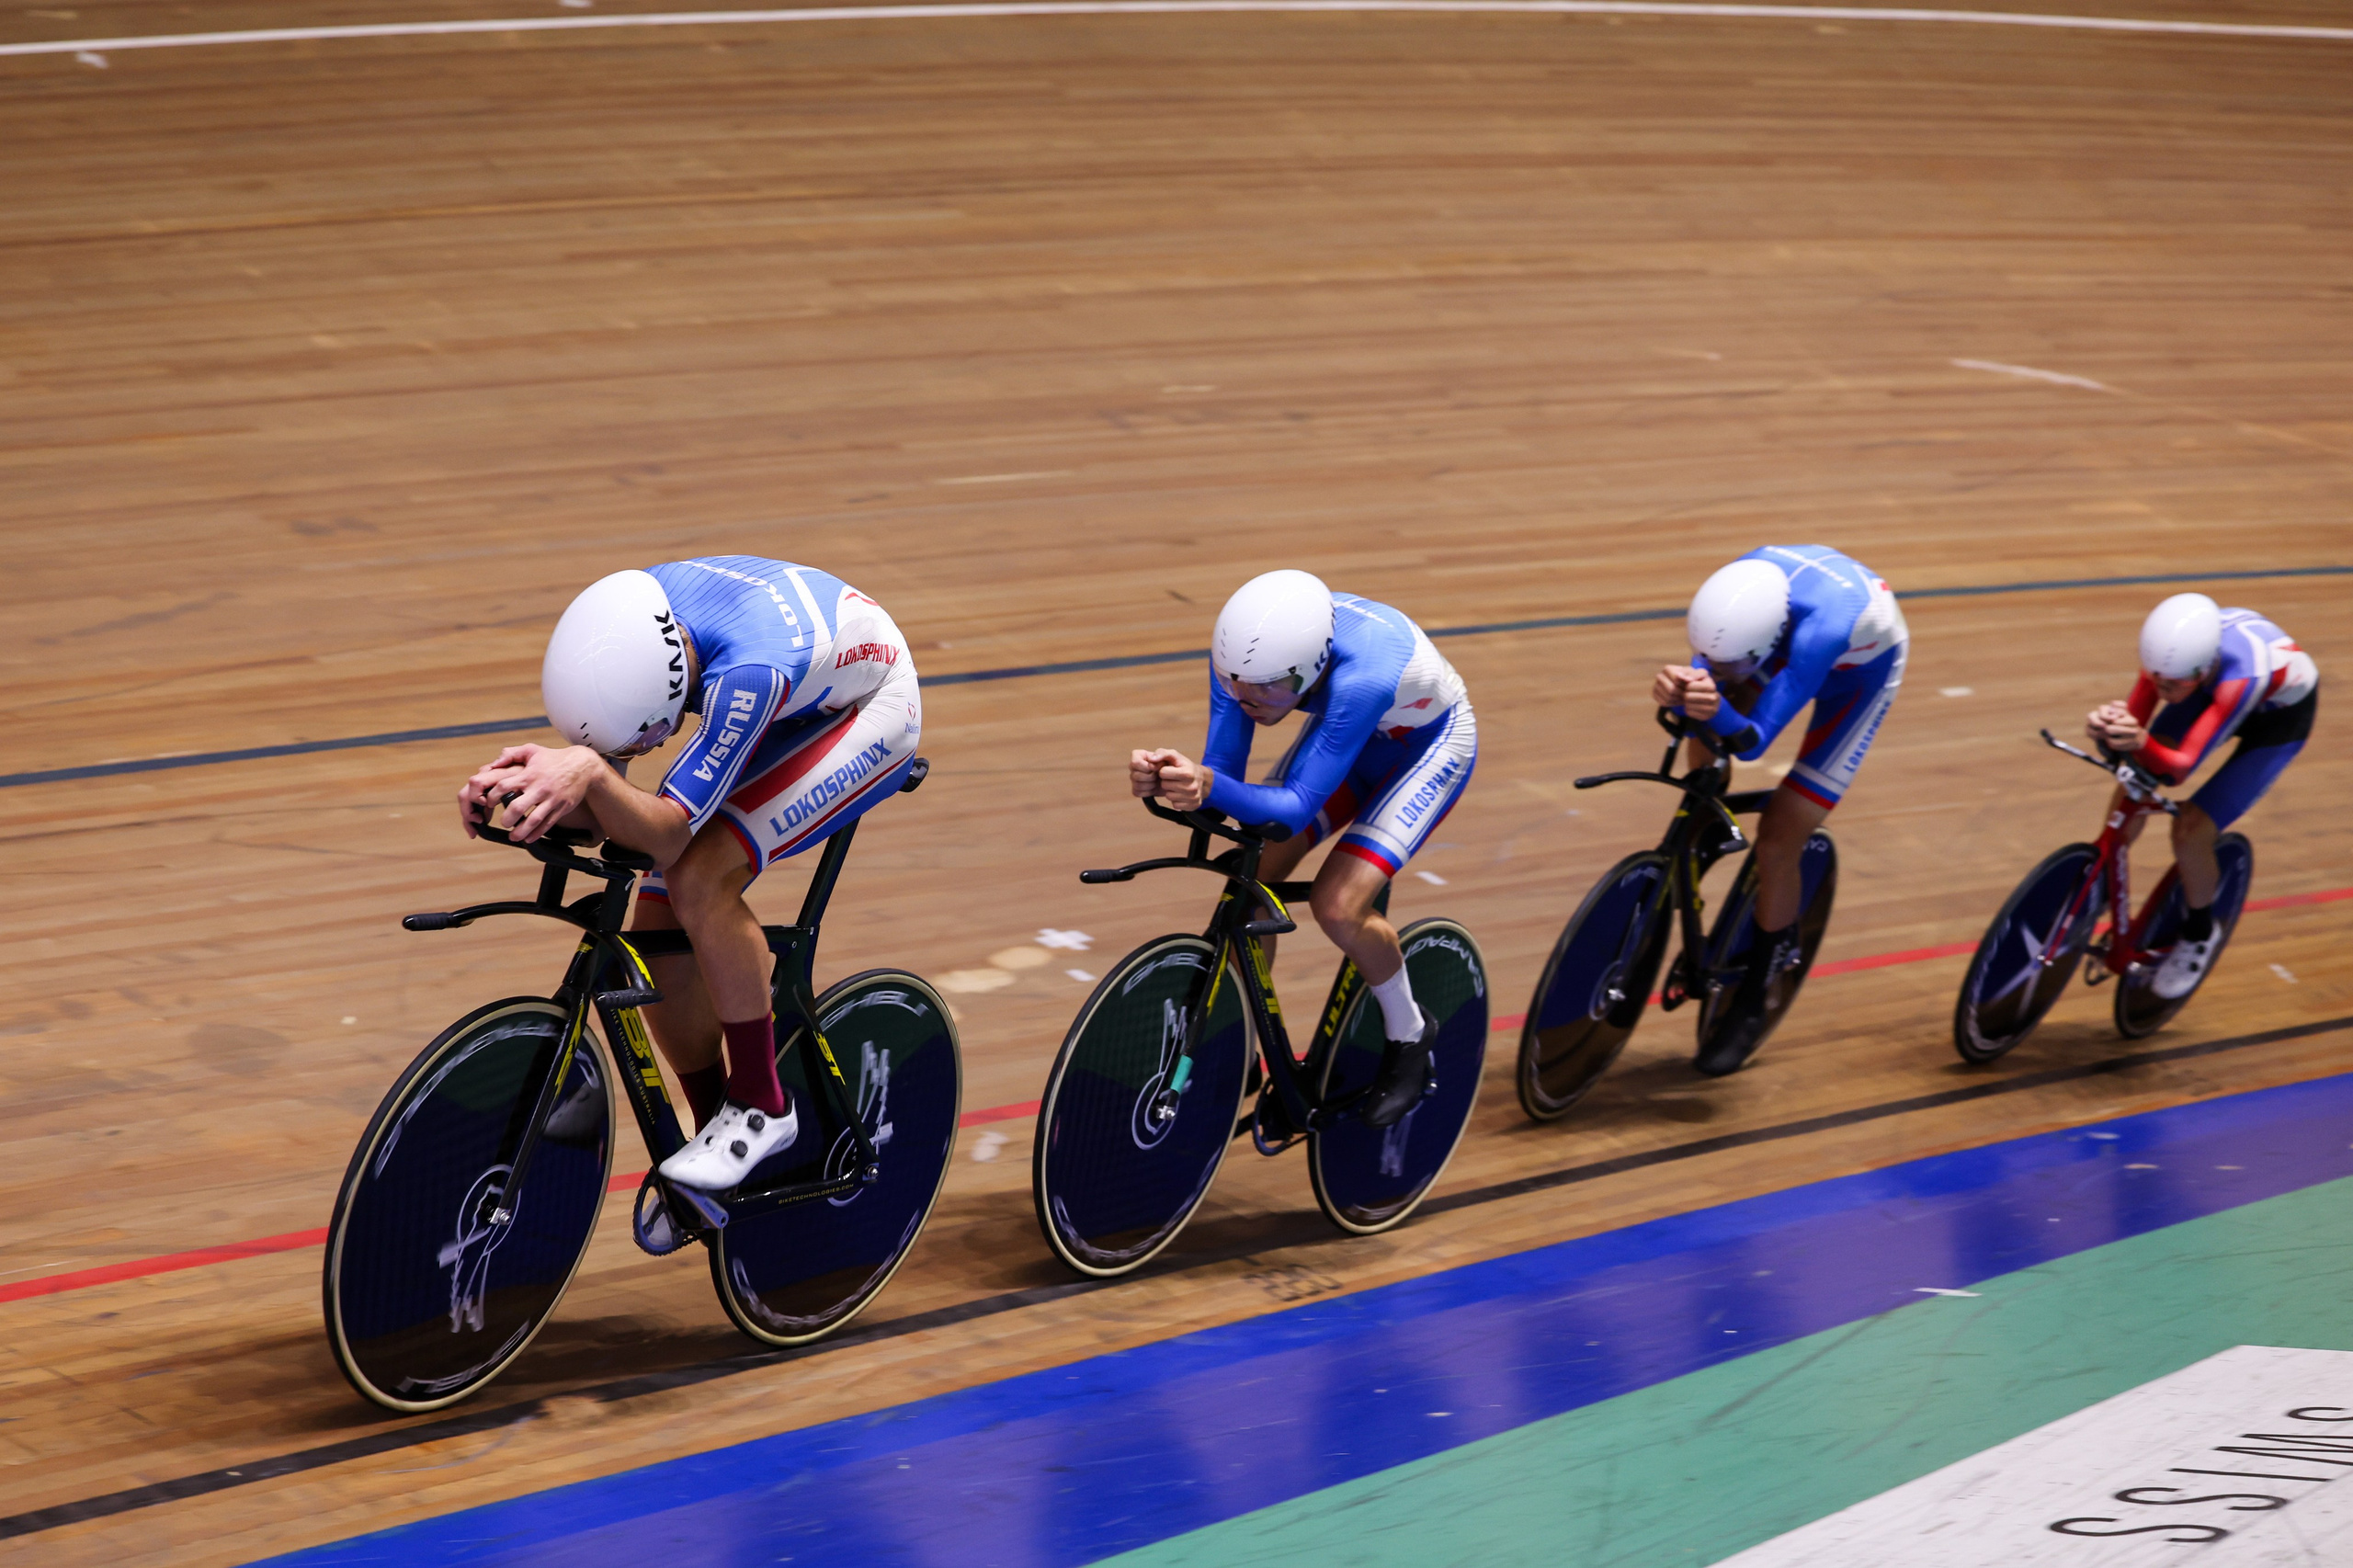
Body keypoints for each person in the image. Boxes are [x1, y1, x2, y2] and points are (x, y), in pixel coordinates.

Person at [456, 559, 923, 1192]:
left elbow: (668, 836)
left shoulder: (748, 675)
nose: (638, 754)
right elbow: (611, 809)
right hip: (800, 679)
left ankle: (763, 1105)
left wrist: (589, 777)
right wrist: (531, 793)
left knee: (701, 879)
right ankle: (713, 1127)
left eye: (646, 741)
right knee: (657, 921)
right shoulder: (627, 622)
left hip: (870, 704)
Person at [1130, 570, 1476, 1129]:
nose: (1246, 698)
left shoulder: (1362, 675)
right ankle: (1244, 1040)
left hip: (1425, 749)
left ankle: (1410, 1033)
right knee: (1250, 875)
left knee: (1337, 905)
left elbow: (1292, 807)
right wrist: (1174, 782)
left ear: (1312, 666)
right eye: (1235, 683)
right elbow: (1223, 782)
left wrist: (1210, 786)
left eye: (1266, 688)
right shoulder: (1244, 661)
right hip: (1354, 743)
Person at [1652, 544, 1908, 1075]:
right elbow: (1714, 673)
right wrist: (1686, 688)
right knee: (1708, 728)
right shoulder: (1737, 596)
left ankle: (1758, 989)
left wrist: (1714, 704)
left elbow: (1752, 743)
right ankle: (1702, 821)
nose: (1718, 668)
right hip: (1783, 639)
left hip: (1860, 673)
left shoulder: (1825, 628)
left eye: (1731, 662)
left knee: (1779, 837)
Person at [2086, 593, 2317, 999]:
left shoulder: (2240, 675)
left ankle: (2198, 932)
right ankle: (2099, 882)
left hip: (2277, 721)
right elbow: (2134, 739)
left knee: (2191, 828)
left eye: (2170, 685)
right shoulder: (2172, 661)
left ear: (2204, 667)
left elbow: (2179, 767)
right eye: (2155, 680)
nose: (2160, 688)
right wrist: (2110, 734)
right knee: (2135, 778)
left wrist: (2139, 739)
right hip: (2209, 688)